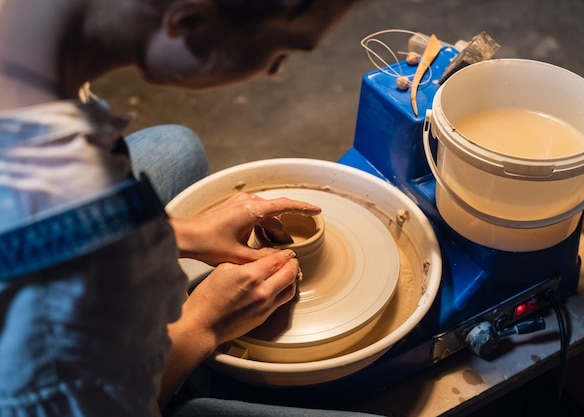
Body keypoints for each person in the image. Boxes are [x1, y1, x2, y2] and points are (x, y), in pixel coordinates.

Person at [0, 0, 378, 416]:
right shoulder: (51, 187)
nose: (274, 71)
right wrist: (203, 324)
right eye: (282, 51)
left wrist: (181, 234)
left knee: (176, 148)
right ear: (189, 21)